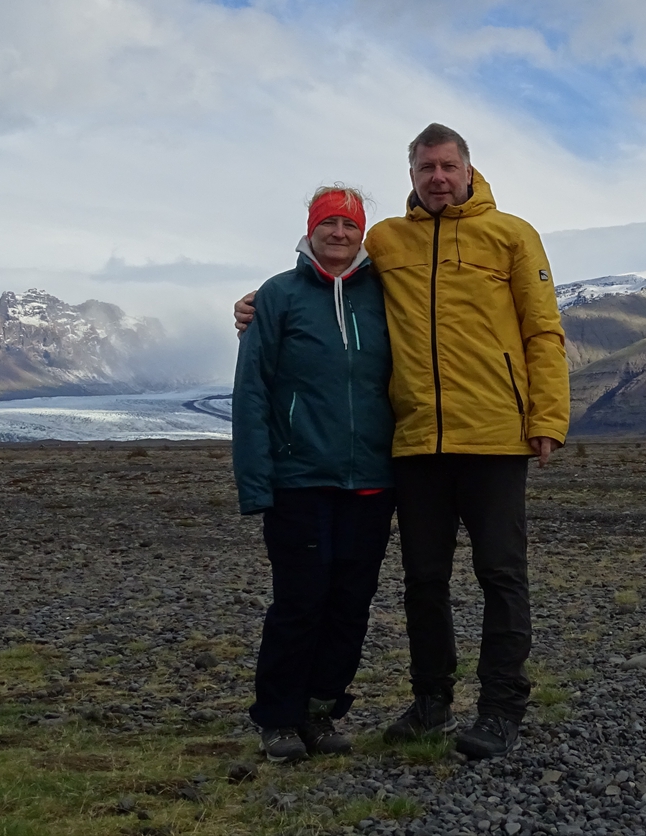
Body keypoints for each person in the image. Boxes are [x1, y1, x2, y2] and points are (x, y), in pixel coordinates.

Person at [237, 124, 569, 759]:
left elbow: (543, 330)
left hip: (495, 435)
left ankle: (501, 707)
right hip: (416, 442)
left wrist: (547, 417)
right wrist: (258, 306)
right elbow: (329, 280)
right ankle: (431, 702)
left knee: (501, 574)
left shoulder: (513, 235)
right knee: (424, 579)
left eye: (448, 166)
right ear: (411, 175)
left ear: (469, 169)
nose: (437, 177)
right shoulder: (388, 240)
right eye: (425, 168)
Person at [232, 185, 396, 763]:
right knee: (300, 600)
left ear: (362, 232)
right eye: (327, 222)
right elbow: (251, 392)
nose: (339, 233)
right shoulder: (278, 296)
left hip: (371, 479)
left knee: (351, 600)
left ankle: (322, 710)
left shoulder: (384, 294)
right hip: (298, 478)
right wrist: (256, 483)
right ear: (310, 229)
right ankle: (277, 717)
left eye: (349, 225)